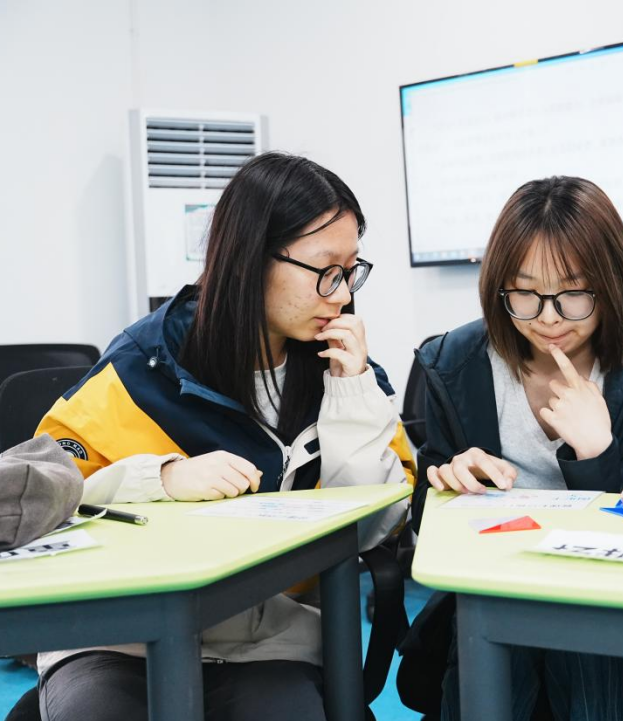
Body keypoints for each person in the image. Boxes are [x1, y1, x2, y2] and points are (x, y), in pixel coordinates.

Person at [34, 152, 415, 721]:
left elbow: (375, 527)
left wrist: (352, 395)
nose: (341, 295)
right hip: (122, 636)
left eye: (351, 271)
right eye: (326, 271)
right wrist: (160, 479)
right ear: (251, 258)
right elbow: (44, 493)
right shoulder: (141, 367)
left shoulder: (350, 375)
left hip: (271, 643)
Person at [404, 176, 623, 721]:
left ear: (611, 286)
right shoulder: (455, 366)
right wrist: (450, 481)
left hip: (604, 602)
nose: (548, 317)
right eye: (524, 293)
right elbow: (426, 522)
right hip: (493, 587)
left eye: (573, 294)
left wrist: (598, 454)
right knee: (500, 630)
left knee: (587, 638)